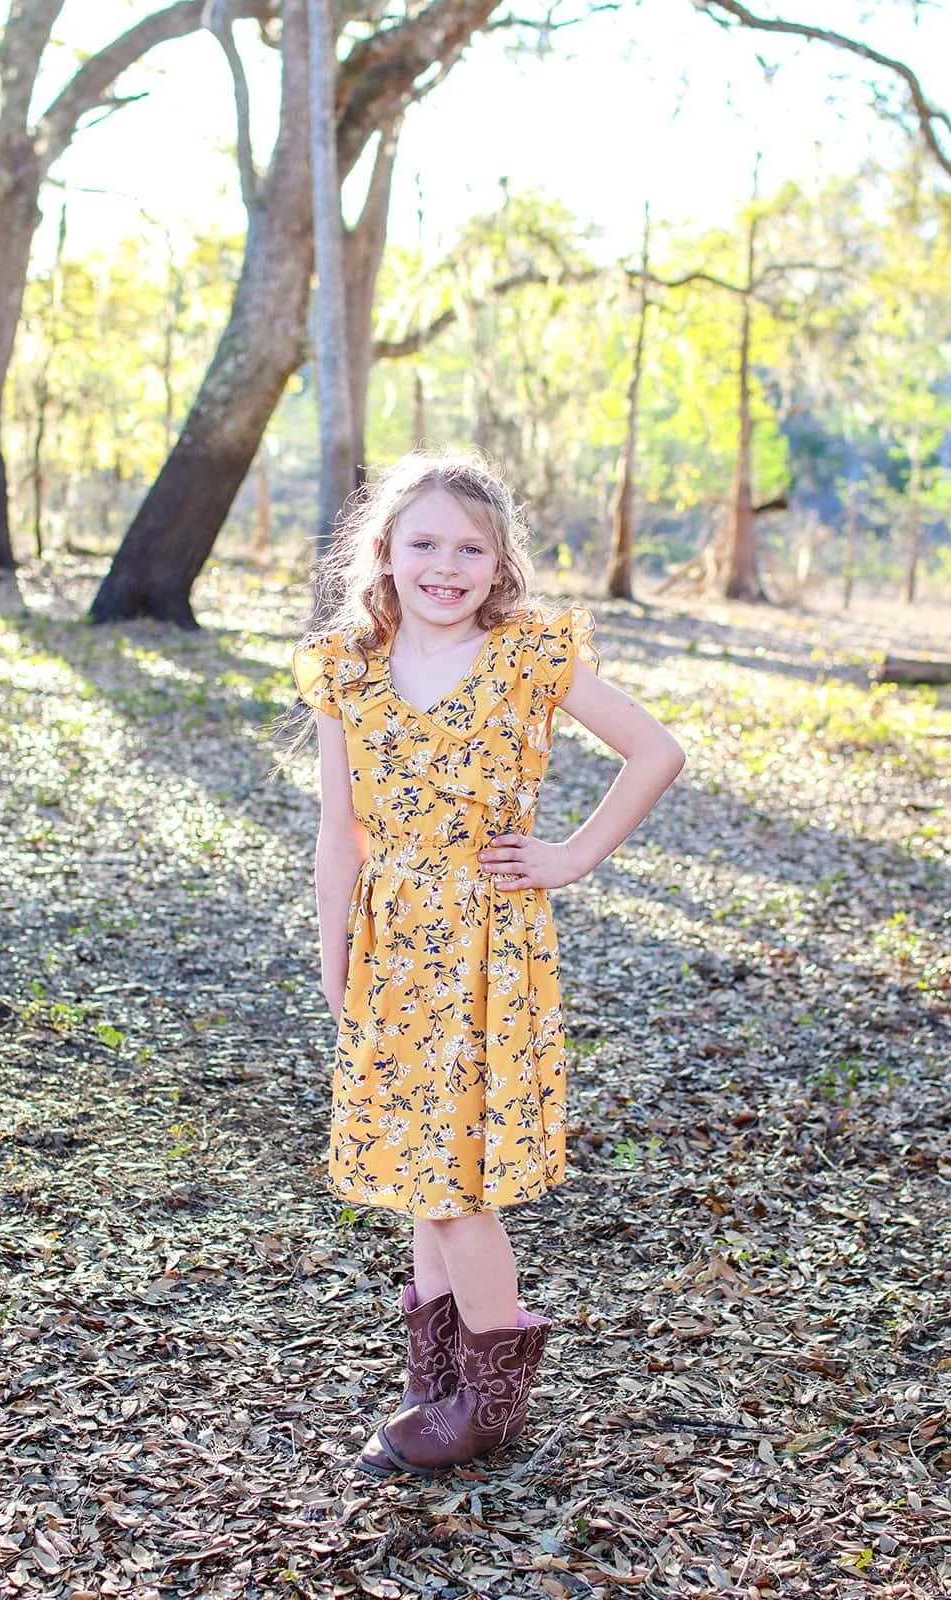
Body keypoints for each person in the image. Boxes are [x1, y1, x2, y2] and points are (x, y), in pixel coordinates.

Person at [289, 450, 685, 1478]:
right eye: (423, 542)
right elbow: (341, 832)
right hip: (392, 949)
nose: (445, 565)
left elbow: (655, 752)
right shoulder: (349, 668)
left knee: (457, 1180)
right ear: (383, 552)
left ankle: (489, 1407)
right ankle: (437, 1385)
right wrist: (333, 951)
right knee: (422, 1173)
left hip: (488, 952)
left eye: (470, 547)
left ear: (500, 561)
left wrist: (570, 856)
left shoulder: (525, 658)